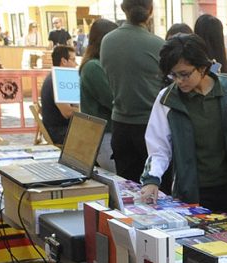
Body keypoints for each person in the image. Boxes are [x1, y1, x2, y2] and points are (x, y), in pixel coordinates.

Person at [140, 33, 227, 213]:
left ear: (202, 67)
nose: (179, 81)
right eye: (173, 75)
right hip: (190, 192)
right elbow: (158, 147)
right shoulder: (167, 99)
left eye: (184, 74)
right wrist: (152, 180)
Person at [100, 0, 165, 183]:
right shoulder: (158, 44)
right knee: (157, 189)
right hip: (151, 124)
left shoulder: (107, 41)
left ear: (123, 9)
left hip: (120, 124)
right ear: (150, 11)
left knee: (126, 189)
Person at [80, 19, 119, 172]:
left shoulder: (96, 65)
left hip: (104, 134)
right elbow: (112, 98)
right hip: (104, 135)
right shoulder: (93, 67)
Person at [40, 45, 78, 144]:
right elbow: (68, 112)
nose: (76, 64)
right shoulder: (56, 80)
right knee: (95, 136)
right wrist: (87, 111)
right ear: (63, 61)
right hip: (58, 132)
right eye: (73, 60)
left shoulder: (58, 77)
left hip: (61, 128)